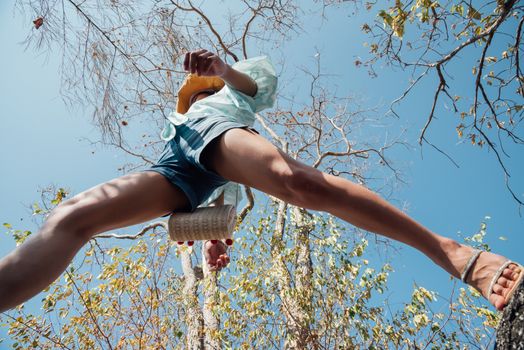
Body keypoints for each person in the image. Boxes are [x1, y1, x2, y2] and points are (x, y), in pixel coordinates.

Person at [0, 49, 522, 313]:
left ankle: (454, 255)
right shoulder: (176, 116)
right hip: (176, 165)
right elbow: (216, 199)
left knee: (299, 184)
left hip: (222, 133)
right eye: (195, 83)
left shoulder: (230, 91)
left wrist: (223, 69)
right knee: (71, 217)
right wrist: (214, 239)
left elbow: (255, 86)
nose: (195, 84)